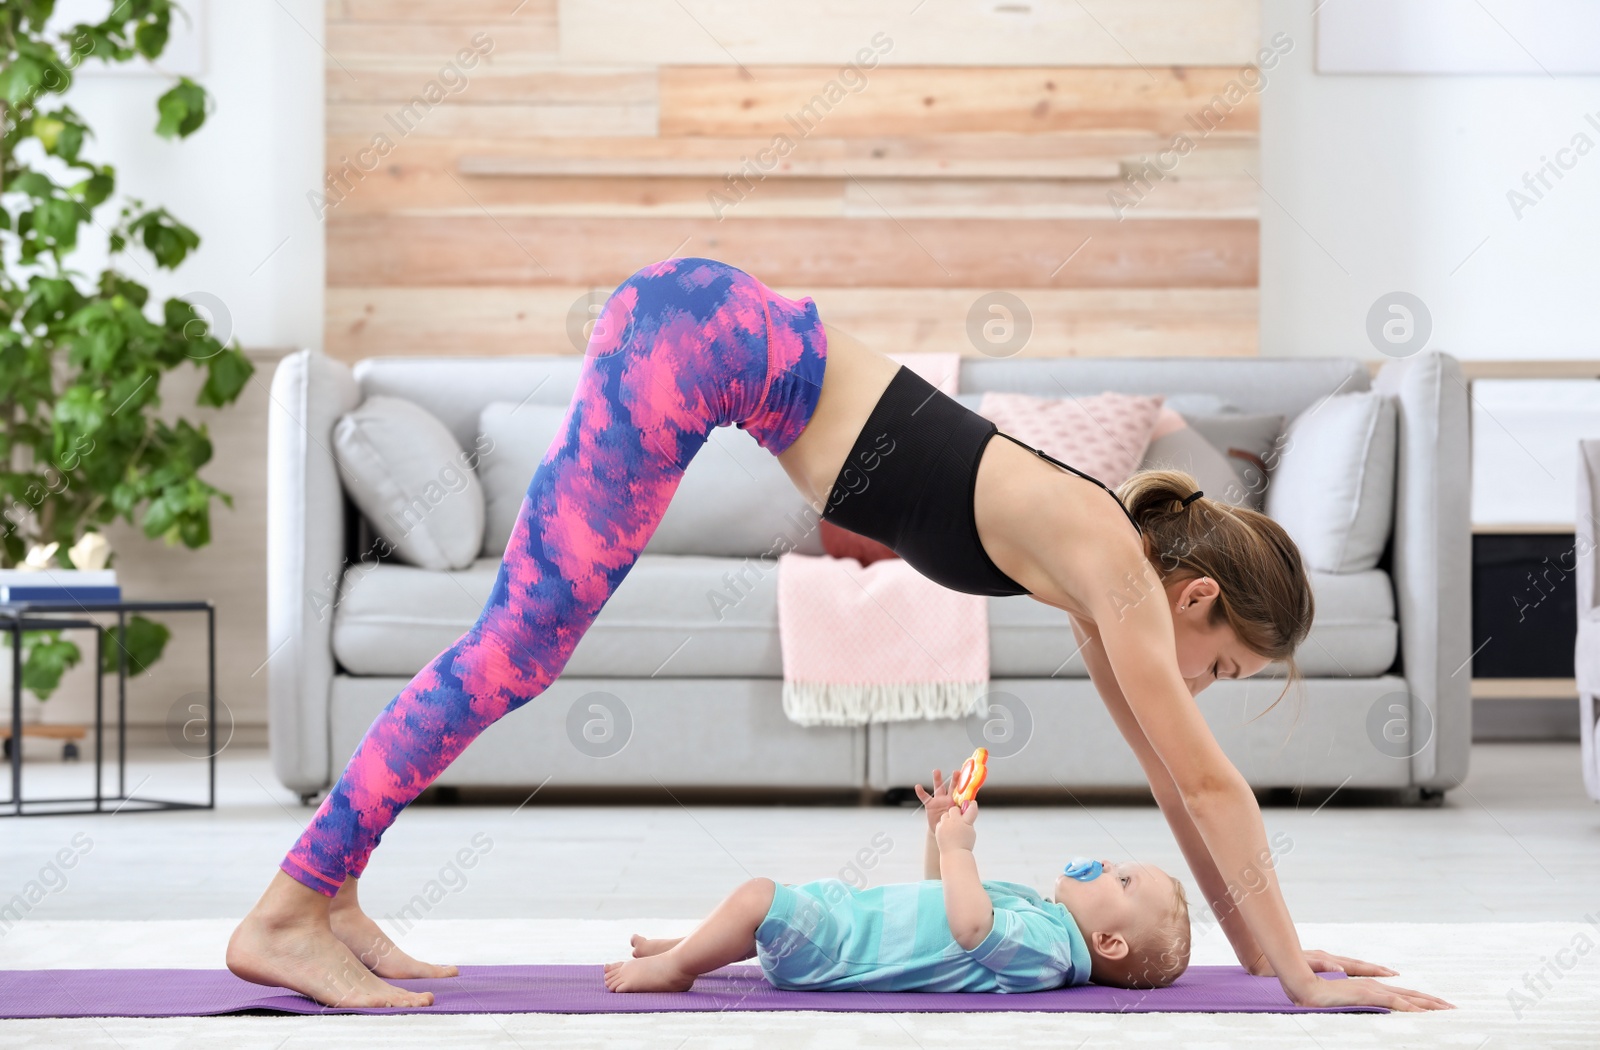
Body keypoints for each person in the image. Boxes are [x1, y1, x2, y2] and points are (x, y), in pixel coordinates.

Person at [227, 256, 1454, 1012]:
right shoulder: (1120, 579)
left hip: (703, 330)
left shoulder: (1100, 585)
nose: (1209, 686)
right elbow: (1209, 779)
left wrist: (1259, 963)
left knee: (514, 646)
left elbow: (1170, 782)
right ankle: (288, 910)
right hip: (696, 340)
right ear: (1198, 603)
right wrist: (1296, 979)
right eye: (1226, 666)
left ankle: (327, 899)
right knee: (517, 648)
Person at [603, 767, 1190, 994]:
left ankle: (676, 969)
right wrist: (941, 837)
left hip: (844, 951)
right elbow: (947, 897)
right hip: (852, 922)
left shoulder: (1051, 950)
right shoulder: (1041, 913)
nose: (1108, 865)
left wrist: (961, 847)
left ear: (1110, 942)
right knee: (764, 907)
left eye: (1124, 880)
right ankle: (690, 945)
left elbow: (968, 927)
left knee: (760, 896)